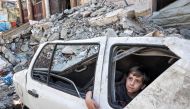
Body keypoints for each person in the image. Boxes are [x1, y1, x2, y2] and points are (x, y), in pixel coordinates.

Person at [85, 66, 149, 109]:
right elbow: (98, 89)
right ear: (126, 78)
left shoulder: (145, 99)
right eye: (130, 78)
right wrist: (88, 96)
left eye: (137, 81)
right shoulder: (118, 89)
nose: (132, 83)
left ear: (143, 86)